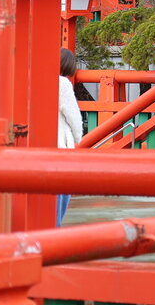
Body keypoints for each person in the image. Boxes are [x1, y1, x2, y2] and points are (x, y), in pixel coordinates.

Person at [57, 48, 83, 225]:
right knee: (61, 193)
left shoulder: (35, 78)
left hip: (36, 146)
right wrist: (78, 137)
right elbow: (72, 115)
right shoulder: (62, 83)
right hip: (60, 144)